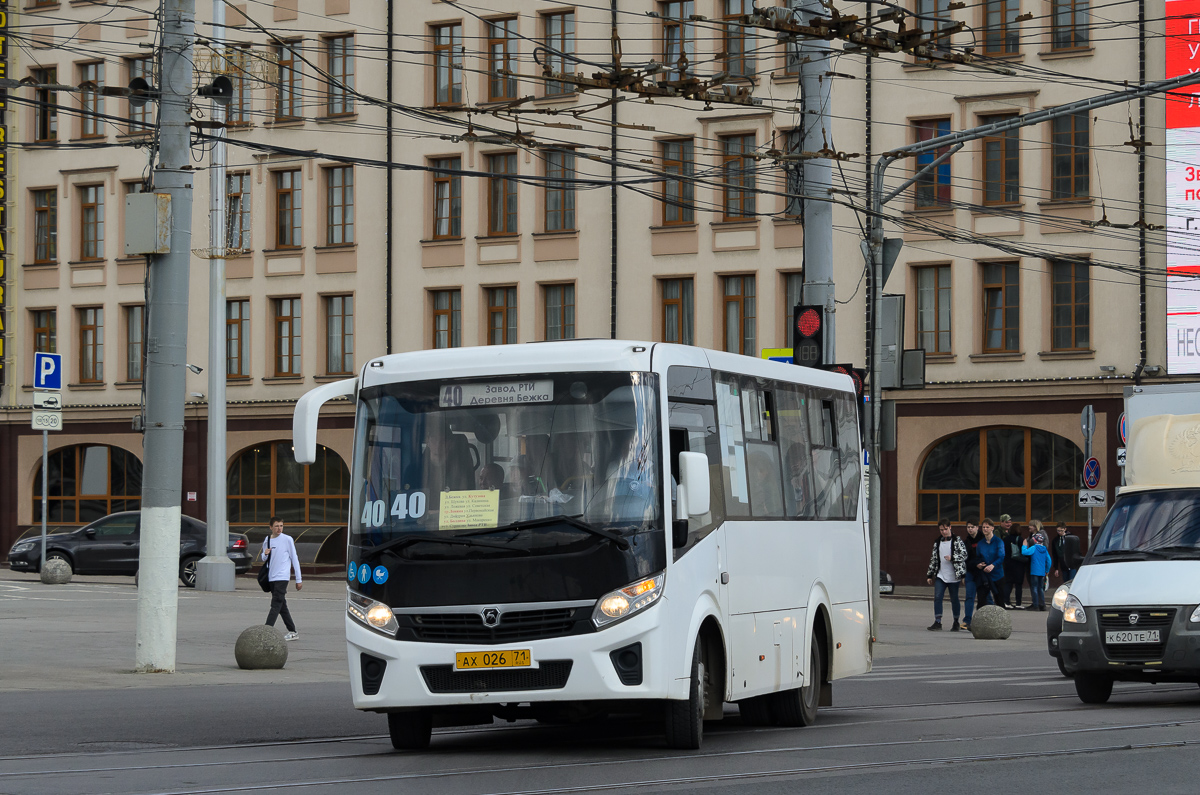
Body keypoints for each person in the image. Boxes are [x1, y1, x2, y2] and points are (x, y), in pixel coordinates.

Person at [260, 517, 303, 641]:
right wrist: (265, 554)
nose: (279, 528)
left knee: (276, 603)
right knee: (282, 605)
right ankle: (293, 631)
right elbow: (264, 558)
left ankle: (266, 631)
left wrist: (298, 579)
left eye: (281, 526)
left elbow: (294, 558)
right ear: (271, 527)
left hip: (282, 576)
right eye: (276, 526)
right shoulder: (267, 540)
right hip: (271, 577)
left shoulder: (287, 539)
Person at [925, 519, 967, 631]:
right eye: (941, 530)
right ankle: (938, 621)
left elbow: (964, 555)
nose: (943, 532)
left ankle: (956, 621)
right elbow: (934, 559)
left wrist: (952, 558)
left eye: (945, 529)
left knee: (954, 599)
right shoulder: (937, 542)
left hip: (954, 576)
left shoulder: (957, 540)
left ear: (950, 527)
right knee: (938, 597)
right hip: (941, 574)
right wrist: (930, 574)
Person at [976, 518, 1008, 609]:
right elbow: (978, 557)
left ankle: (1000, 617)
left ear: (992, 528)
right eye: (983, 527)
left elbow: (1001, 556)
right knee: (981, 601)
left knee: (999, 601)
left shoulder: (998, 542)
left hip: (997, 574)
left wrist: (993, 565)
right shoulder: (980, 543)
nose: (985, 529)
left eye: (987, 527)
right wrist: (978, 564)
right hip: (985, 575)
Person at [1000, 514, 1027, 608]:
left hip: (1007, 564)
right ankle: (1018, 603)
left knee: (1008, 583)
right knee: (1018, 585)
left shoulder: (1005, 539)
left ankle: (1006, 602)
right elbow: (1024, 552)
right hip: (1018, 564)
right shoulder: (1020, 539)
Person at [1022, 528, 1052, 611]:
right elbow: (1049, 561)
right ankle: (1042, 604)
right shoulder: (1045, 549)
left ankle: (1036, 605)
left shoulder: (1034, 548)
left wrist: (1024, 545)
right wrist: (1047, 570)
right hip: (1042, 572)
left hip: (1034, 571)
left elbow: (1024, 552)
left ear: (1034, 540)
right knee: (1040, 588)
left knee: (1034, 587)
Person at [962, 520, 985, 626]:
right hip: (970, 572)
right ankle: (967, 620)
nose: (970, 529)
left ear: (977, 527)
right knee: (969, 596)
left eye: (972, 527)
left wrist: (981, 564)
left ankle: (987, 619)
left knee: (986, 597)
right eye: (968, 527)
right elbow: (965, 560)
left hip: (983, 573)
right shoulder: (966, 542)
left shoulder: (983, 540)